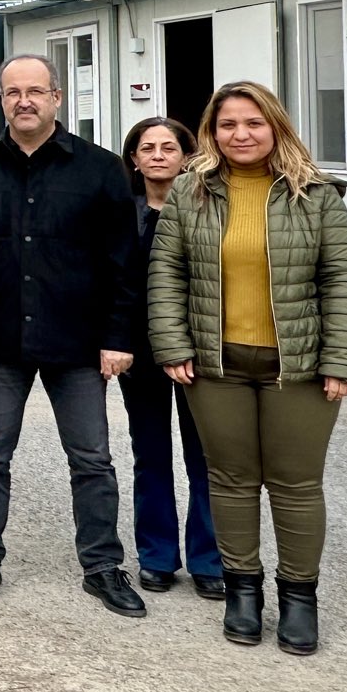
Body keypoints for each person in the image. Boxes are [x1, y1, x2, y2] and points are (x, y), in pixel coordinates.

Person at [147, 82, 347, 655]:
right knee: (231, 480)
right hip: (216, 364)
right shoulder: (189, 193)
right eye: (227, 125)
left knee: (296, 485)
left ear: (276, 126)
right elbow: (167, 274)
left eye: (253, 123)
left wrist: (342, 357)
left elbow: (342, 280)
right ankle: (243, 591)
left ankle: (300, 598)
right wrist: (173, 345)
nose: (240, 135)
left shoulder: (315, 194)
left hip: (297, 366)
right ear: (210, 132)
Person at [0, 55, 146, 618]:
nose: (23, 101)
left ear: (57, 96)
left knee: (92, 458)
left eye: (35, 91)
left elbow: (124, 265)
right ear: (1, 99)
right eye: (12, 92)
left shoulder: (101, 169)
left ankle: (102, 565)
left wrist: (118, 336)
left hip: (78, 343)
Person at [116, 116, 222, 600]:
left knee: (207, 458)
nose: (158, 155)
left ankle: (210, 560)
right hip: (139, 353)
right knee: (151, 454)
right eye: (147, 148)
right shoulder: (120, 214)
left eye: (168, 147)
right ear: (134, 160)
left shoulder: (209, 210)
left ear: (188, 155)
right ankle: (157, 556)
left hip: (200, 351)